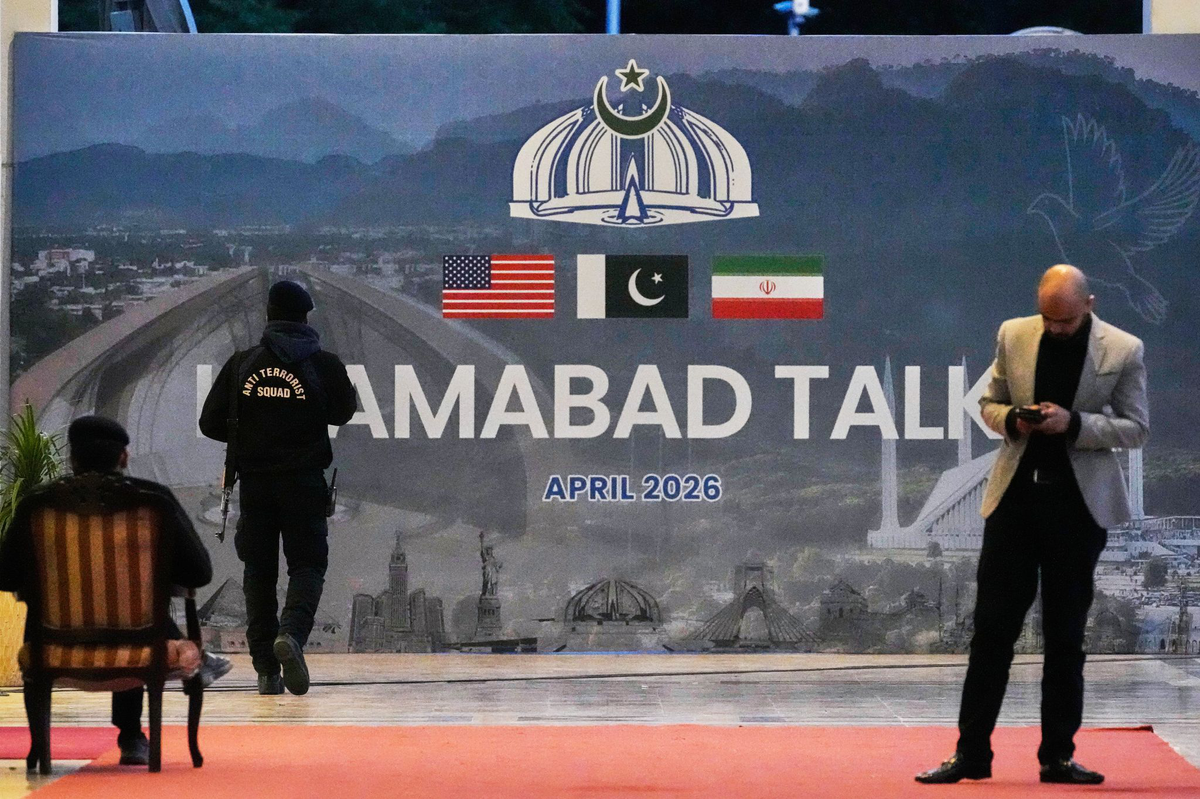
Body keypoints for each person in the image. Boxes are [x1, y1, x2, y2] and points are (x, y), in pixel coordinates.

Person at [916, 265, 1149, 786]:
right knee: (991, 633)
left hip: (1078, 509)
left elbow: (1136, 428)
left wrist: (1075, 423)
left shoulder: (1124, 349)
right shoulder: (1013, 333)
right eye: (1048, 318)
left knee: (1065, 637)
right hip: (1014, 504)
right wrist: (1011, 419)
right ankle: (971, 754)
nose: (1056, 328)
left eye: (1065, 321)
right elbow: (988, 403)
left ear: (1089, 304)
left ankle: (1058, 758)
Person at [0, 416, 232, 766]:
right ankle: (132, 737)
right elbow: (199, 573)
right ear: (124, 457)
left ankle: (41, 752)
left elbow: (5, 577)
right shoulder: (154, 500)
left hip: (53, 649)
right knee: (138, 610)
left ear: (72, 458)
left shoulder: (37, 504)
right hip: (141, 649)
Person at [199, 280, 356, 696]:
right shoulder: (325, 364)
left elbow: (209, 423)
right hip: (305, 484)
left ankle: (267, 673)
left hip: (255, 485)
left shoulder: (241, 364)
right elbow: (343, 412)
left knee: (258, 574)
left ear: (268, 316)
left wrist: (251, 432)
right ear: (306, 318)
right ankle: (291, 636)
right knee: (307, 566)